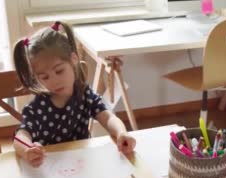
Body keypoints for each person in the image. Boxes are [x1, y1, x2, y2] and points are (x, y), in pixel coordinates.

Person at [12, 21, 135, 167]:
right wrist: (27, 149)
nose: (54, 81)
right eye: (44, 77)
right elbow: (20, 137)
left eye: (59, 71)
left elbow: (108, 117)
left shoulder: (84, 94)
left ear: (74, 59)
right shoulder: (38, 106)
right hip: (50, 167)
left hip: (82, 164)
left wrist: (121, 133)